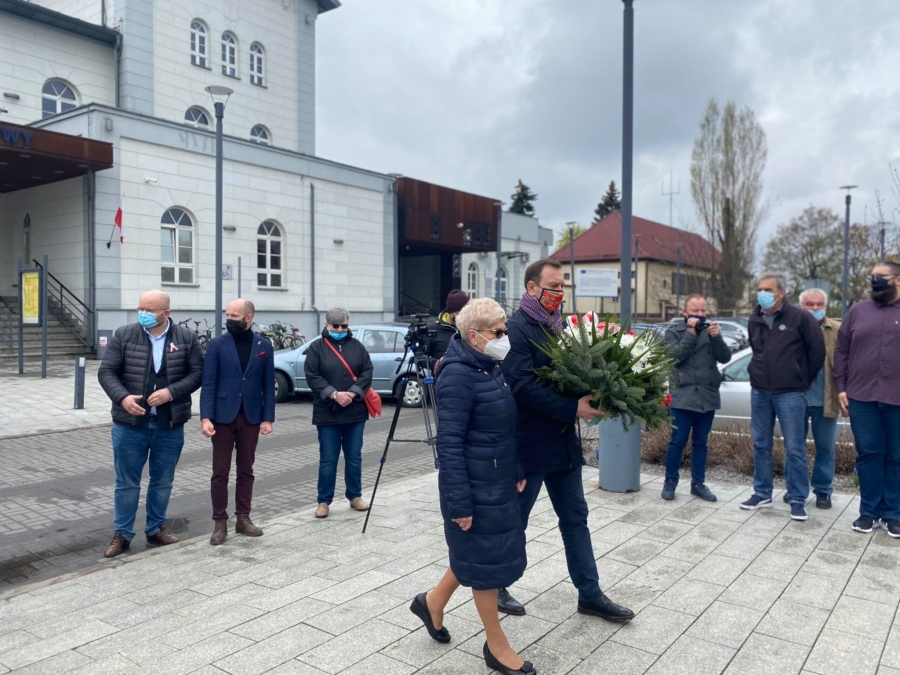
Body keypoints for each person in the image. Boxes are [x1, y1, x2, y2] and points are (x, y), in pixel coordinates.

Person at [499, 258, 634, 622]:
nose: (559, 293)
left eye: (562, 287)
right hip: (528, 448)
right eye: (553, 286)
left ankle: (590, 594)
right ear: (531, 288)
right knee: (515, 521)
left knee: (576, 520)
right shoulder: (516, 330)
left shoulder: (562, 328)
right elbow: (521, 387)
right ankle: (496, 586)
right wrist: (573, 407)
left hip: (564, 448)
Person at [410, 298, 535, 675]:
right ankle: (496, 646)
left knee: (479, 555)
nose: (505, 337)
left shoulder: (488, 367)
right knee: (485, 567)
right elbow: (449, 444)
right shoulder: (457, 376)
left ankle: (432, 602)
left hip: (495, 481)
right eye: (499, 331)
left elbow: (503, 428)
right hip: (473, 488)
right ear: (474, 335)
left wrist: (516, 467)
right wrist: (459, 503)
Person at [97, 290, 203, 557]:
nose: (142, 313)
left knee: (163, 480)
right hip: (129, 424)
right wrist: (122, 398)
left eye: (149, 310)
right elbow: (106, 371)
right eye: (140, 308)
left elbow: (197, 374)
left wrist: (171, 392)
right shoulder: (124, 334)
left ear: (166, 313)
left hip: (169, 424)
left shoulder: (186, 338)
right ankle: (122, 533)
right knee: (126, 483)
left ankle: (156, 528)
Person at [740, 273, 825, 521]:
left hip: (790, 393)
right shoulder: (755, 318)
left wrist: (802, 379)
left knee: (795, 448)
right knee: (760, 445)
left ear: (782, 292)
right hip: (760, 391)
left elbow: (817, 352)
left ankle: (797, 498)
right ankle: (762, 493)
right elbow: (756, 349)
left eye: (768, 289)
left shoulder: (800, 317)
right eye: (760, 289)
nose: (762, 293)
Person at [200, 298, 275, 545]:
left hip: (251, 417)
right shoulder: (217, 344)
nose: (229, 319)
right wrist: (205, 417)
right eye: (227, 315)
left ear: (248, 318)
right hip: (222, 417)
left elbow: (268, 384)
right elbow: (208, 383)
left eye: (234, 316)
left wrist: (267, 418)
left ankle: (243, 518)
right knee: (220, 472)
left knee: (246, 470)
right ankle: (219, 522)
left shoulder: (264, 345)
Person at [834, 262, 900, 536]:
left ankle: (893, 514)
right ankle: (869, 513)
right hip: (861, 396)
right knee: (869, 455)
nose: (874, 281)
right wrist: (841, 387)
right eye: (872, 276)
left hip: (897, 398)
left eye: (880, 277)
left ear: (897, 280)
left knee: (896, 456)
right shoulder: (858, 311)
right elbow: (842, 350)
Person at [304, 308, 374, 519]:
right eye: (336, 326)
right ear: (327, 325)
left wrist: (352, 393)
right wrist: (334, 394)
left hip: (355, 411)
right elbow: (312, 375)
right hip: (328, 412)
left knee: (354, 457)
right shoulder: (317, 347)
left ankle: (355, 496)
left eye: (344, 326)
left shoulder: (357, 346)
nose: (340, 329)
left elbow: (367, 371)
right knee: (328, 459)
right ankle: (324, 501)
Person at [661, 294, 731, 502]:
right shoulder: (674, 331)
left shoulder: (711, 332)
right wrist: (691, 334)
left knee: (701, 443)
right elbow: (673, 357)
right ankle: (670, 482)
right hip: (683, 395)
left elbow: (725, 357)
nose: (700, 314)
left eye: (703, 310)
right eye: (695, 310)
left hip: (707, 395)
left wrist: (717, 338)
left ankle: (698, 484)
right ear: (685, 312)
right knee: (677, 442)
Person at [792, 288, 841, 510]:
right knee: (794, 447)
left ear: (826, 306)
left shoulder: (837, 330)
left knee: (826, 448)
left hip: (825, 399)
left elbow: (845, 364)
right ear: (801, 306)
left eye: (819, 304)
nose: (815, 308)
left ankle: (823, 491)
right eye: (809, 304)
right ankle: (795, 489)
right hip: (795, 399)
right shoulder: (791, 329)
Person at [426, 289, 469, 372]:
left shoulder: (470, 328)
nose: (461, 317)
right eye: (458, 313)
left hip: (468, 377)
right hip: (444, 377)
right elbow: (421, 357)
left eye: (464, 313)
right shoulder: (432, 329)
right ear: (450, 312)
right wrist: (435, 363)